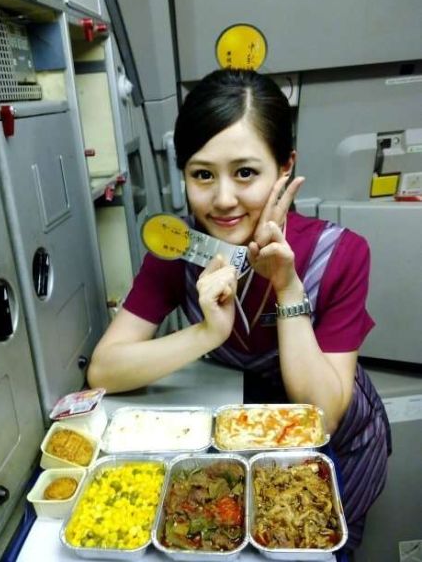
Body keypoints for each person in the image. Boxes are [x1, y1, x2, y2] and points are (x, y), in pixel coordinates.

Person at [87, 68, 391, 553]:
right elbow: (104, 369)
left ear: (285, 168)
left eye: (245, 173)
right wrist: (207, 333)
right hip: (239, 439)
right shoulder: (179, 249)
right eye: (202, 175)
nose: (223, 199)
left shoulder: (340, 254)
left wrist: (287, 287)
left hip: (335, 452)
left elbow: (323, 415)